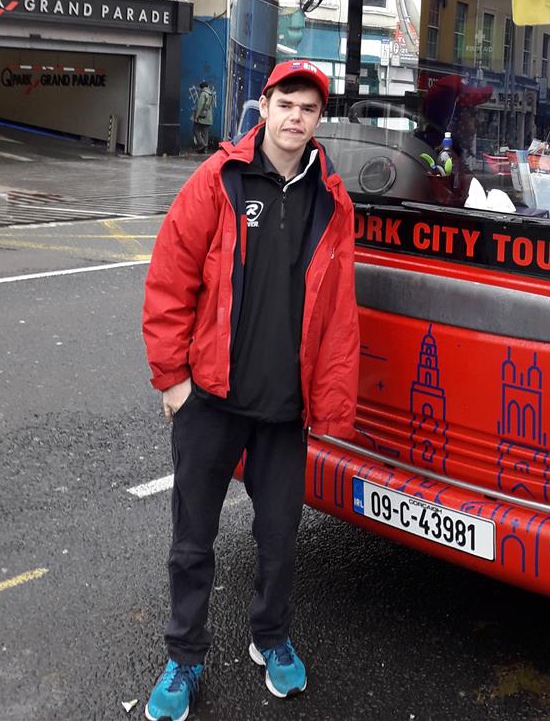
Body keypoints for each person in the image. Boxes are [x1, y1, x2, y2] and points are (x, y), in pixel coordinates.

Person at [142, 59, 359, 721]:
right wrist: (173, 381)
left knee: (279, 540)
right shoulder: (221, 179)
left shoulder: (332, 197)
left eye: (309, 109)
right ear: (263, 105)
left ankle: (270, 638)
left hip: (283, 411)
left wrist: (332, 404)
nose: (296, 117)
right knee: (192, 542)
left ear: (319, 119)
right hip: (211, 399)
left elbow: (339, 311)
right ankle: (184, 656)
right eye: (286, 103)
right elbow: (170, 278)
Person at [191, 81, 216, 153]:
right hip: (208, 118)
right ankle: (205, 150)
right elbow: (213, 106)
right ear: (207, 87)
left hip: (202, 117)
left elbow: (199, 106)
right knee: (205, 133)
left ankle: (202, 144)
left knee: (195, 130)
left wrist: (196, 116)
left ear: (201, 88)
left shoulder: (203, 94)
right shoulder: (211, 94)